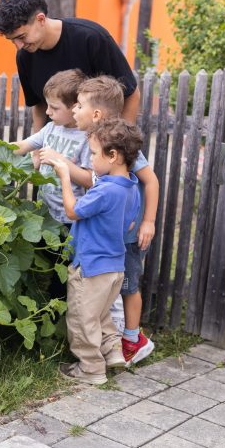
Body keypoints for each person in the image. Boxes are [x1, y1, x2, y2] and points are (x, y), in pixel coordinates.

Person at [39, 117, 142, 384]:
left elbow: (73, 211)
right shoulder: (131, 187)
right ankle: (113, 352)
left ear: (113, 156)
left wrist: (64, 175)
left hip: (91, 267)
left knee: (82, 319)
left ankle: (91, 368)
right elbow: (130, 223)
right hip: (114, 268)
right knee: (101, 315)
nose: (92, 159)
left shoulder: (106, 190)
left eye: (94, 154)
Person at [71, 77, 158, 367]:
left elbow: (151, 181)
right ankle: (116, 343)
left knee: (129, 286)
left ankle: (133, 340)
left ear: (96, 114)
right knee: (113, 291)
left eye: (79, 105)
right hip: (114, 233)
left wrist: (148, 221)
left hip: (130, 235)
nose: (74, 110)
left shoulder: (118, 144)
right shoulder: (97, 144)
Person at [0, 0, 140, 133]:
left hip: (99, 145)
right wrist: (37, 147)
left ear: (41, 19)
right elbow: (39, 105)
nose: (18, 46)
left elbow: (130, 94)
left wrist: (119, 144)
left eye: (21, 37)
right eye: (12, 40)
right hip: (58, 145)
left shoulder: (92, 38)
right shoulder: (24, 56)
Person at [10, 69, 90, 224]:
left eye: (54, 107)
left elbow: (90, 180)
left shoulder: (87, 137)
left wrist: (59, 160)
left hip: (71, 220)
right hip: (44, 215)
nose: (47, 112)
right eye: (47, 106)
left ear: (75, 107)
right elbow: (23, 145)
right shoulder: (50, 128)